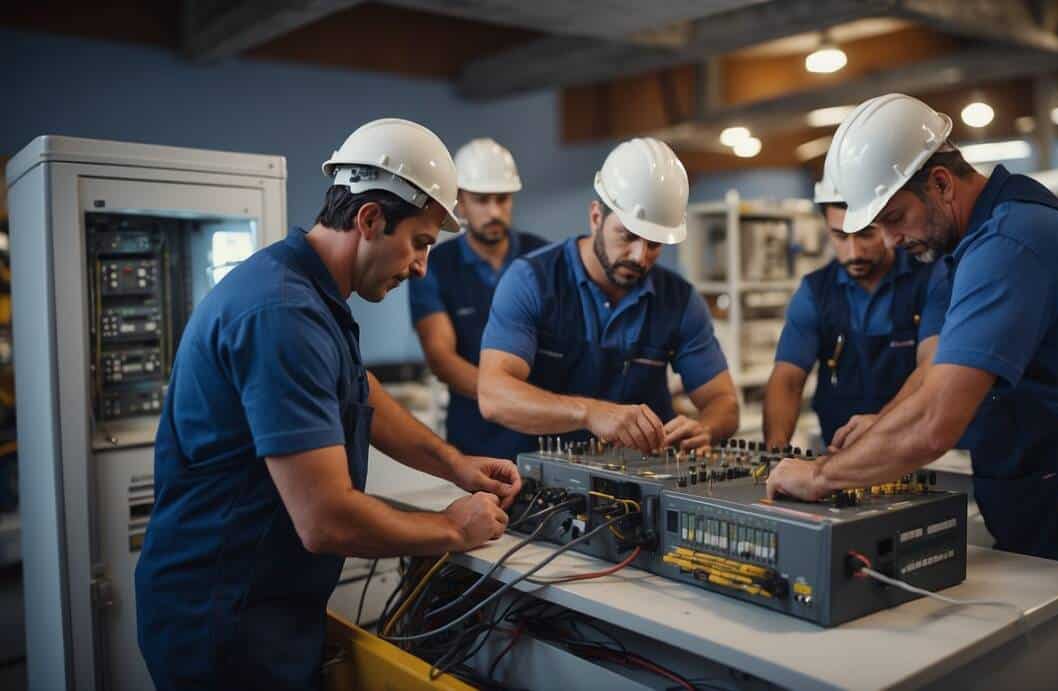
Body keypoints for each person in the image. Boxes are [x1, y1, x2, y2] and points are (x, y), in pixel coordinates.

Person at [766, 93, 1058, 691]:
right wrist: (876, 431)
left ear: (941, 183)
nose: (894, 240)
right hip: (1050, 509)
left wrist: (822, 476)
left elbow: (937, 422)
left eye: (896, 218)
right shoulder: (978, 240)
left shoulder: (1011, 244)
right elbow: (936, 374)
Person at [135, 119, 522, 690]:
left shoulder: (308, 291)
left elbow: (359, 390)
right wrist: (450, 529)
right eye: (419, 243)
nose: (421, 266)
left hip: (266, 607)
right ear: (369, 219)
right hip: (221, 621)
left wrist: (454, 464)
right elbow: (324, 519)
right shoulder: (283, 315)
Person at [476, 137, 738, 453]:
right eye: (627, 236)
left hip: (645, 484)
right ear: (596, 216)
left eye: (654, 244)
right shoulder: (532, 281)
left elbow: (723, 400)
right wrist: (590, 413)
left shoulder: (679, 300)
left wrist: (705, 428)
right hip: (540, 482)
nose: (640, 257)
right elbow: (493, 395)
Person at [763, 178, 949, 450]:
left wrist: (880, 426)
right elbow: (788, 380)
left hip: (921, 452)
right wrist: (775, 451)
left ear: (888, 221)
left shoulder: (931, 278)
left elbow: (931, 368)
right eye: (840, 236)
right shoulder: (815, 292)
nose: (853, 252)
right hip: (840, 452)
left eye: (865, 234)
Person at [409, 138, 547, 460]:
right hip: (475, 438)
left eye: (503, 199)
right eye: (482, 200)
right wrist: (508, 398)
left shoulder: (543, 257)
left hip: (544, 435)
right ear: (459, 202)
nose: (494, 211)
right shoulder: (434, 266)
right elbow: (441, 358)